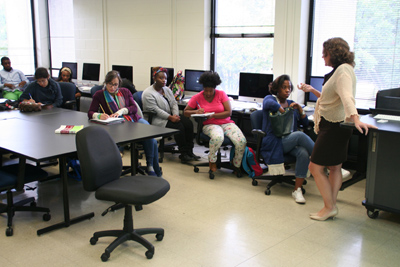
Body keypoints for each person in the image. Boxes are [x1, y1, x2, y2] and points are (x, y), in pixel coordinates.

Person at [298, 37, 377, 220]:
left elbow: (347, 97)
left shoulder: (342, 71)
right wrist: (313, 91)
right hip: (336, 124)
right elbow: (330, 98)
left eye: (324, 53)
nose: (322, 56)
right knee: (334, 167)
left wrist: (356, 119)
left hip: (334, 126)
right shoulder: (343, 70)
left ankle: (329, 206)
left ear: (332, 53)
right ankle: (330, 205)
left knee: (315, 167)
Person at [87, 70, 162, 177]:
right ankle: (153, 170)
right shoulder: (99, 95)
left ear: (119, 84)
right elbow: (90, 113)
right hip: (117, 124)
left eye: (115, 84)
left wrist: (122, 111)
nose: (112, 87)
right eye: (110, 84)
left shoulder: (125, 92)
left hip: (133, 119)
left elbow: (134, 108)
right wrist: (98, 115)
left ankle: (150, 166)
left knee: (151, 137)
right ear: (105, 83)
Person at [261, 75, 314, 204]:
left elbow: (306, 123)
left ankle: (297, 190)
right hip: (274, 142)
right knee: (300, 136)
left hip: (289, 142)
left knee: (303, 152)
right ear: (276, 88)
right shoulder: (271, 99)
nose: (287, 90)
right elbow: (268, 103)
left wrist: (300, 110)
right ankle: (325, 160)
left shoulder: (291, 104)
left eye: (289, 88)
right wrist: (281, 109)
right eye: (284, 87)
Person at [183, 71, 247, 174]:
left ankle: (236, 164)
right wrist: (196, 111)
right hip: (210, 124)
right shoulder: (197, 97)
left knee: (241, 141)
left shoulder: (221, 94)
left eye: (211, 91)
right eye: (206, 90)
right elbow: (185, 112)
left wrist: (213, 115)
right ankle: (212, 161)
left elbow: (228, 112)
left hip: (226, 123)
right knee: (218, 138)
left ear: (215, 88)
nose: (208, 93)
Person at [142, 67, 199, 163]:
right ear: (154, 78)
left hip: (171, 117)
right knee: (179, 126)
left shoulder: (166, 89)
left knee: (188, 123)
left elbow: (173, 103)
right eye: (161, 78)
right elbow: (156, 110)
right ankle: (184, 154)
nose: (164, 80)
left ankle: (190, 151)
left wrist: (176, 115)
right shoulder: (148, 93)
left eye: (165, 78)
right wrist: (170, 117)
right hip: (157, 120)